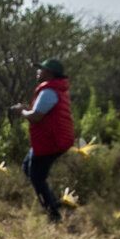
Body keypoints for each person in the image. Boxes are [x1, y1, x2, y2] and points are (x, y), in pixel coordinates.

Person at [10, 58, 75, 222]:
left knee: (37, 177)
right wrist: (27, 110)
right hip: (50, 140)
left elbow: (36, 117)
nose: (38, 71)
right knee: (28, 168)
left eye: (41, 69)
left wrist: (22, 112)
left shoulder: (49, 92)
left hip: (51, 142)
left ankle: (53, 214)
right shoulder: (54, 90)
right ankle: (53, 202)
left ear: (50, 73)